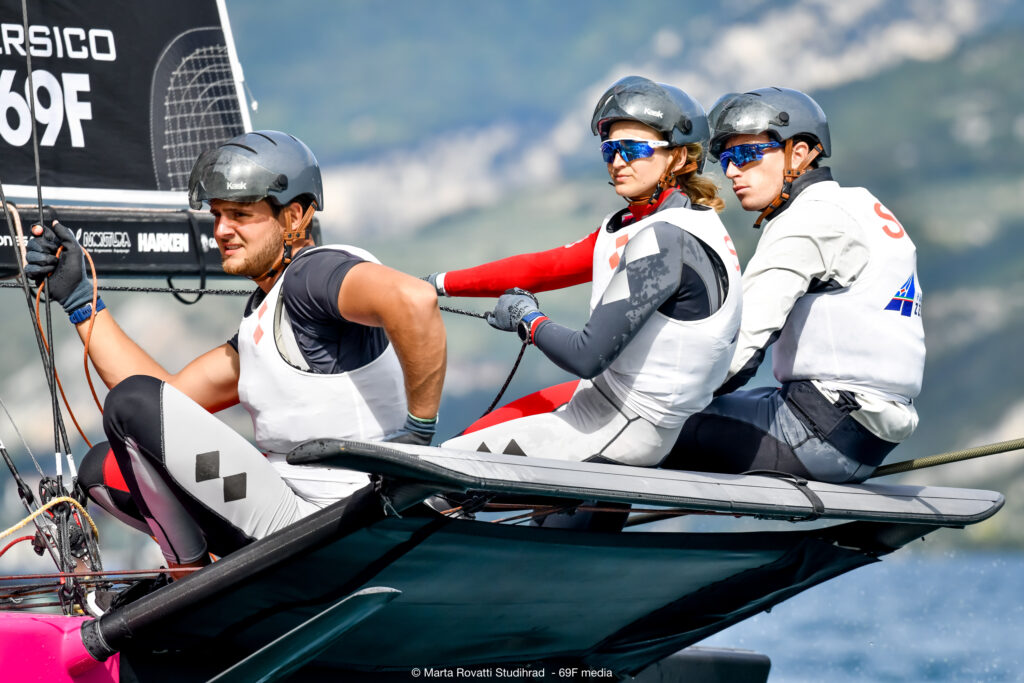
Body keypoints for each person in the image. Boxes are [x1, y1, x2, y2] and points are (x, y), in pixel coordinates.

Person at [23, 130, 446, 583]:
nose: (222, 230)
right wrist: (81, 303)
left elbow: (415, 300)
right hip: (292, 519)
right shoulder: (267, 313)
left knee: (129, 405)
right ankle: (201, 579)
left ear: (295, 217)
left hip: (347, 526)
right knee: (103, 466)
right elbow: (167, 400)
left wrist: (418, 438)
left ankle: (189, 585)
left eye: (241, 215)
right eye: (218, 214)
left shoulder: (313, 274)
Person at [430, 76, 741, 468]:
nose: (617, 161)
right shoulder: (645, 221)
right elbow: (545, 268)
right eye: (610, 149)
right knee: (480, 432)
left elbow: (587, 355)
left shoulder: (666, 239)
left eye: (634, 149)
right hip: (605, 403)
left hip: (623, 424)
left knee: (445, 466)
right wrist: (437, 284)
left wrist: (528, 319)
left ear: (678, 158)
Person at [662, 87, 925, 483]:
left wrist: (652, 395)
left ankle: (580, 538)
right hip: (868, 435)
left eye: (746, 155)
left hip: (816, 434)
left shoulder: (807, 221)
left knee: (635, 428)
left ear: (799, 153)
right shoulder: (861, 206)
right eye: (728, 158)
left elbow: (736, 349)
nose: (732, 171)